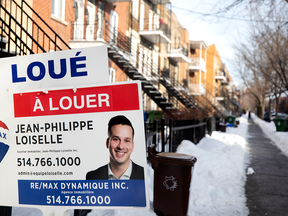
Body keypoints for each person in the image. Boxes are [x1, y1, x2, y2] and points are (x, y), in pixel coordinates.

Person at [86, 115, 144, 180]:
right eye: (116, 139)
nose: (121, 146)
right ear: (107, 142)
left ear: (133, 146)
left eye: (127, 140)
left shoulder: (144, 175)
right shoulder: (92, 177)